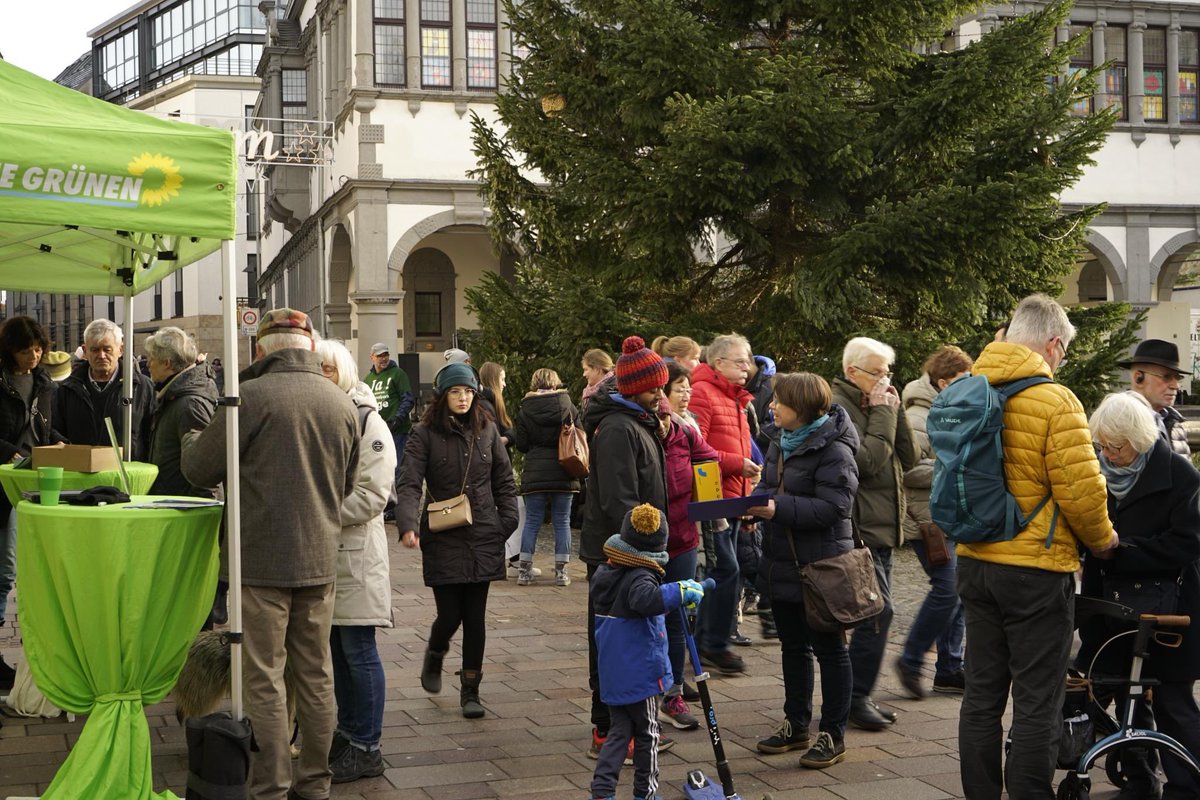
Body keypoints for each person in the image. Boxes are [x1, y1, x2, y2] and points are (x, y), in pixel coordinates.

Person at [181, 309, 360, 800]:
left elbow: (198, 468)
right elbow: (345, 484)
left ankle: (271, 788)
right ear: (309, 347)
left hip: (259, 562)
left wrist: (192, 436)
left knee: (263, 678)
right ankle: (315, 784)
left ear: (260, 349)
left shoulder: (249, 397)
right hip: (318, 559)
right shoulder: (340, 402)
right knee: (316, 675)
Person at [956, 293, 1118, 800]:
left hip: (975, 562)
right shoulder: (1056, 401)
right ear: (1052, 344)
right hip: (1035, 571)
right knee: (1037, 700)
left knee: (981, 697)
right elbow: (1082, 493)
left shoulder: (967, 390)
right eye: (1063, 351)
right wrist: (1104, 541)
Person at [1076, 391, 1200, 800]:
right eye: (1102, 445)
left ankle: (1188, 786)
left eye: (1117, 446)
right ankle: (1139, 778)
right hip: (1112, 605)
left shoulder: (1180, 474)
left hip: (1169, 611)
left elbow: (1188, 543)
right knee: (1119, 693)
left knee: (1171, 701)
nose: (1108, 455)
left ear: (1139, 439)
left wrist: (1121, 550)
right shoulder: (1099, 475)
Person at [748, 372, 859, 769]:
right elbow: (768, 487)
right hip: (782, 561)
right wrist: (751, 508)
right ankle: (796, 725)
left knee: (830, 651)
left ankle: (833, 734)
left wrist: (776, 509)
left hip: (822, 565)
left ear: (803, 407)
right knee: (792, 647)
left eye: (780, 401)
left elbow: (834, 508)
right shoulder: (780, 440)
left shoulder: (835, 450)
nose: (772, 406)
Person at [397, 361, 519, 719]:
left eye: (467, 392)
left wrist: (506, 522)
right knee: (450, 615)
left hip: (484, 532)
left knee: (475, 618)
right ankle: (435, 653)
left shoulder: (487, 430)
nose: (463, 398)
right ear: (443, 396)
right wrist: (408, 524)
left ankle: (471, 691)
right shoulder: (424, 434)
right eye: (455, 392)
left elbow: (504, 480)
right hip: (443, 533)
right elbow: (409, 482)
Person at [581, 335, 674, 760]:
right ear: (634, 388)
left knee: (629, 640)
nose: (660, 394)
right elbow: (621, 501)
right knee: (611, 641)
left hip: (633, 551)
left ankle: (628, 724)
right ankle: (606, 728)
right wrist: (645, 553)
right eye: (654, 387)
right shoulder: (619, 428)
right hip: (618, 554)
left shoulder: (637, 420)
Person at [315, 339, 396, 784]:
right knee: (337, 650)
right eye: (316, 368)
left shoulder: (368, 421)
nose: (321, 375)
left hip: (356, 555)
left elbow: (372, 495)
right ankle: (348, 734)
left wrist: (318, 510)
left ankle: (368, 747)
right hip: (327, 553)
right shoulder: (325, 414)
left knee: (358, 650)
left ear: (344, 371)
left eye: (328, 369)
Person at [830, 336, 919, 730]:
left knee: (875, 614)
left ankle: (855, 696)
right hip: (859, 527)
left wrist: (893, 410)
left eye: (888, 373)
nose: (885, 380)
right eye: (877, 373)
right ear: (852, 372)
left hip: (882, 527)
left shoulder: (877, 402)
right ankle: (854, 699)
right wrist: (883, 411)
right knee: (877, 613)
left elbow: (909, 456)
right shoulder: (838, 406)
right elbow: (867, 462)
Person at [588, 502, 705, 800]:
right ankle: (646, 793)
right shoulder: (640, 575)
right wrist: (679, 591)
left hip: (614, 674)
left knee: (618, 733)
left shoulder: (607, 572)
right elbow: (646, 599)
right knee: (649, 734)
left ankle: (601, 792)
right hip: (640, 676)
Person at [894, 345, 973, 699]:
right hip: (925, 520)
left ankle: (949, 669)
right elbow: (907, 469)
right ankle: (911, 660)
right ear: (943, 382)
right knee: (948, 588)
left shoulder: (949, 411)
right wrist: (953, 467)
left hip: (945, 516)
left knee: (956, 590)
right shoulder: (917, 417)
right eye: (963, 380)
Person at [688, 333, 763, 675]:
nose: (748, 367)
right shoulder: (702, 393)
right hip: (711, 499)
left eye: (749, 362)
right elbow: (695, 447)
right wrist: (736, 465)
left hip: (733, 498)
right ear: (718, 363)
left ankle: (707, 642)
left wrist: (746, 503)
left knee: (726, 571)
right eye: (741, 362)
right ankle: (712, 643)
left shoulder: (736, 397)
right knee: (726, 570)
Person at [658, 361, 720, 730]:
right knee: (645, 618)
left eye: (687, 388)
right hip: (644, 546)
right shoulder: (634, 432)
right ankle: (643, 693)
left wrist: (708, 497)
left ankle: (673, 694)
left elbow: (709, 457)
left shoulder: (684, 432)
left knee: (677, 617)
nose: (683, 396)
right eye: (677, 389)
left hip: (681, 539)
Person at [0, 316, 60, 691]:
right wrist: (9, 453)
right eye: (26, 351)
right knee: (5, 570)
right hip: (4, 483)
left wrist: (58, 442)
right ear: (10, 350)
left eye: (38, 349)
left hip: (37, 481)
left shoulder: (43, 382)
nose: (34, 357)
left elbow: (43, 430)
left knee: (31, 568)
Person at [512, 367, 580, 586]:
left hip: (535, 470)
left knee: (532, 520)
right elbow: (580, 434)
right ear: (555, 382)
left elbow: (521, 444)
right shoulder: (567, 405)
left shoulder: (525, 409)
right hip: (564, 468)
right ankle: (562, 573)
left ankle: (524, 572)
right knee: (562, 521)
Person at [55, 318, 153, 461]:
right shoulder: (67, 389)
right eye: (95, 350)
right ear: (85, 351)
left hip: (127, 470)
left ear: (121, 350)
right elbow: (56, 429)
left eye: (107, 349)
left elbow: (151, 435)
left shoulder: (141, 387)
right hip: (80, 470)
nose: (101, 356)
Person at [143, 327, 217, 497]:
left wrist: (202, 510)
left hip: (183, 507)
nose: (148, 364)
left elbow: (205, 470)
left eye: (151, 358)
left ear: (167, 363)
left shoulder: (189, 404)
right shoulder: (174, 396)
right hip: (173, 503)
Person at [1119, 338, 1191, 456]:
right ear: (1138, 378)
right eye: (1166, 377)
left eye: (1178, 378)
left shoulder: (1173, 422)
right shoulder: (1116, 422)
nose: (1176, 386)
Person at [363, 341, 414, 479]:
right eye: (380, 356)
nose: (384, 358)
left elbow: (408, 399)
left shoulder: (398, 373)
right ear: (372, 357)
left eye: (386, 355)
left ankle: (399, 492)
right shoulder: (368, 379)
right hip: (378, 431)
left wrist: (397, 420)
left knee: (397, 468)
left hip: (398, 431)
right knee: (379, 467)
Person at [580, 348, 615, 413]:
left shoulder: (610, 392)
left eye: (586, 369)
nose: (584, 374)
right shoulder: (593, 392)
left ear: (597, 369)